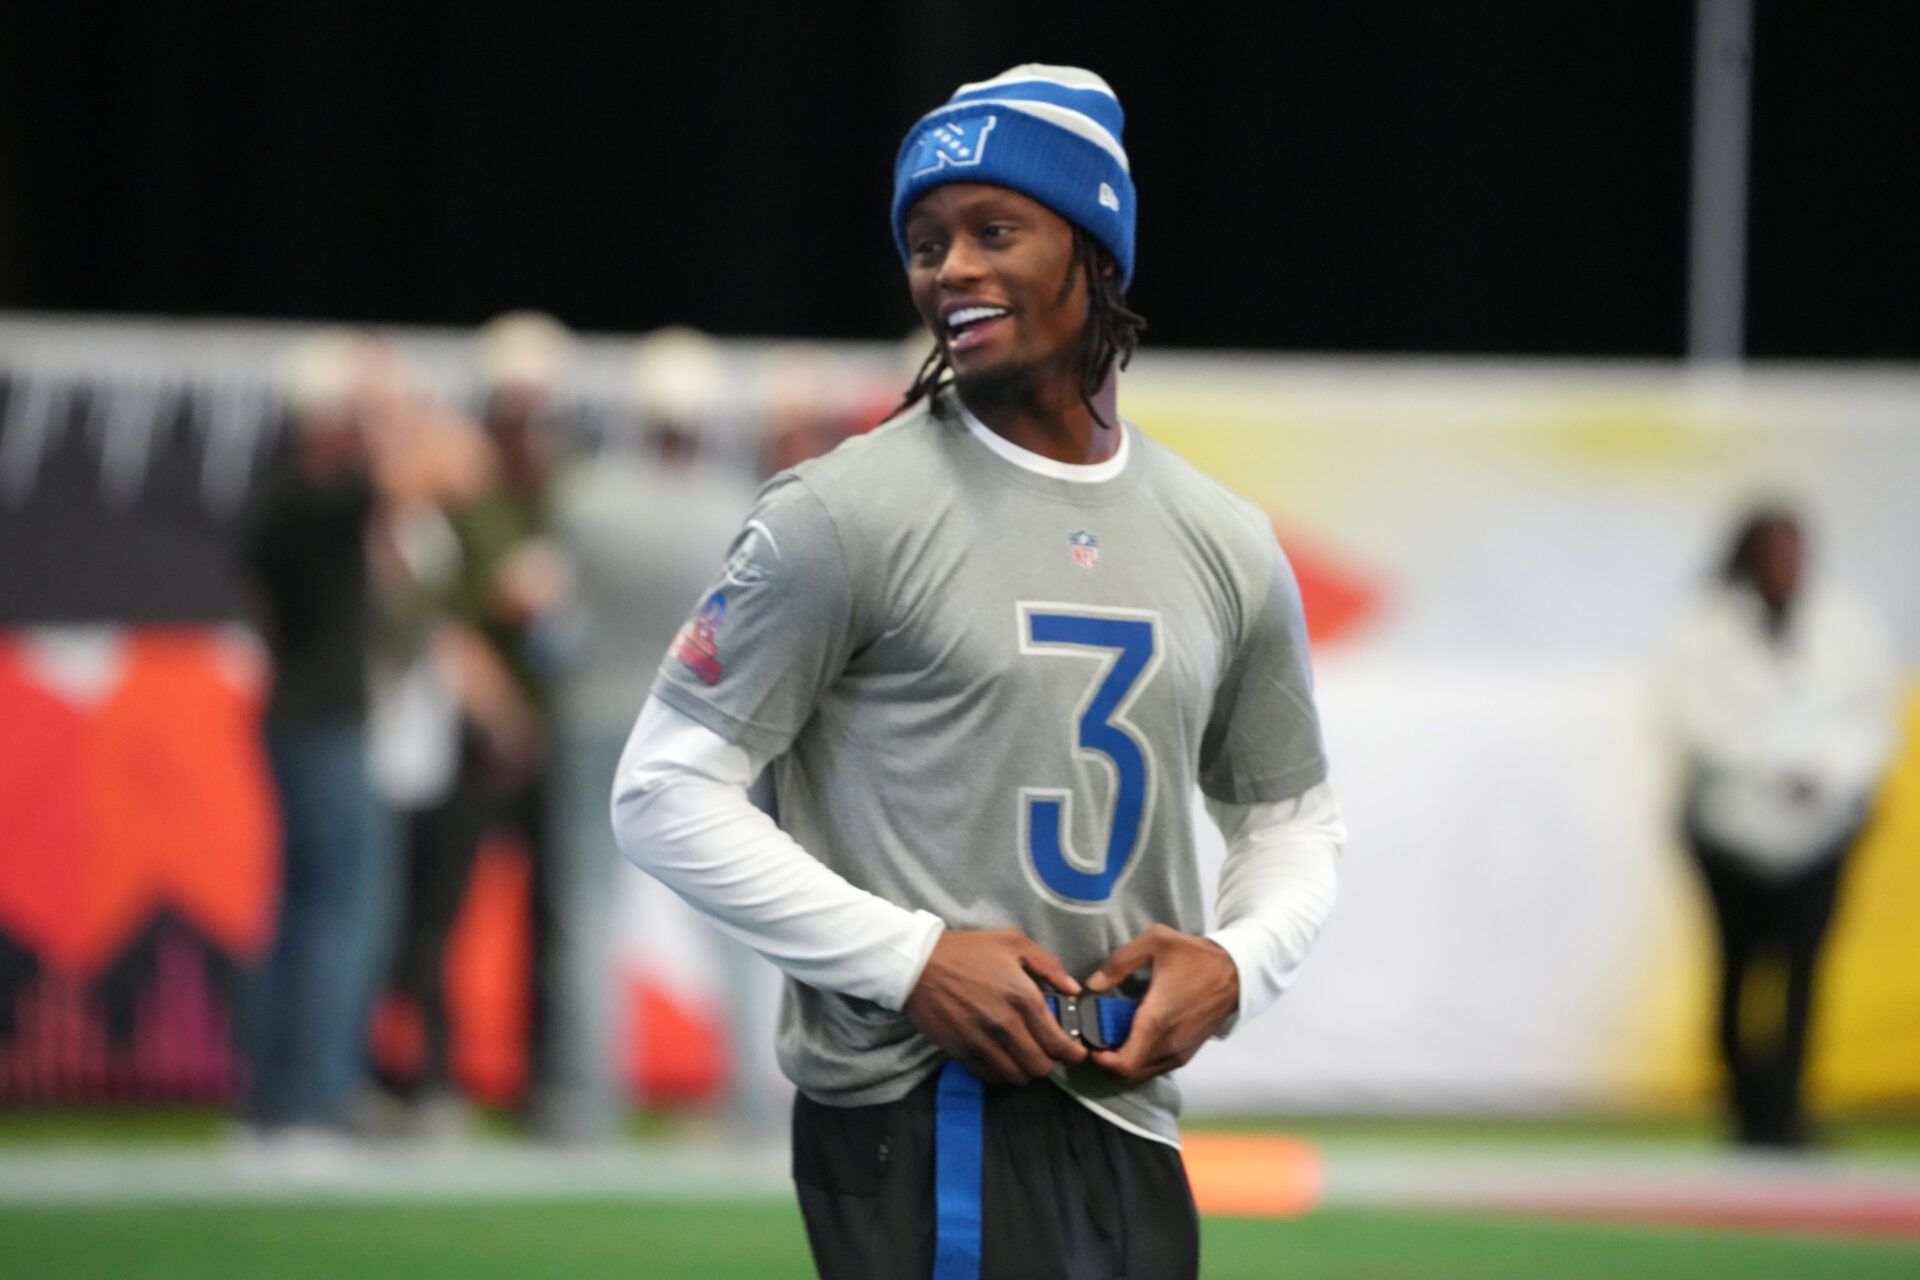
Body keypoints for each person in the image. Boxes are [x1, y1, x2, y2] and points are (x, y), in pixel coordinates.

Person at [612, 65, 1345, 1279]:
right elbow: (662, 789)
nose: (948, 268)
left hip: (1130, 1119)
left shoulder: (1226, 538)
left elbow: (1291, 815)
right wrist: (910, 957)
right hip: (926, 1113)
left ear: (1096, 249)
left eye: (994, 230)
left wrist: (1239, 960)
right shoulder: (840, 514)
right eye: (925, 240)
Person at [1657, 505, 1901, 1149]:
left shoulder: (1846, 625)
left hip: (1820, 833)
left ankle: (1787, 1111)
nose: (1784, 567)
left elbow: (1873, 718)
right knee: (1736, 971)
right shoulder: (1704, 629)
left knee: (1802, 973)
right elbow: (1693, 720)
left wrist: (1827, 772)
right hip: (1729, 833)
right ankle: (1746, 1108)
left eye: (1793, 552)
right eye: (1771, 553)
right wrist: (1773, 766)